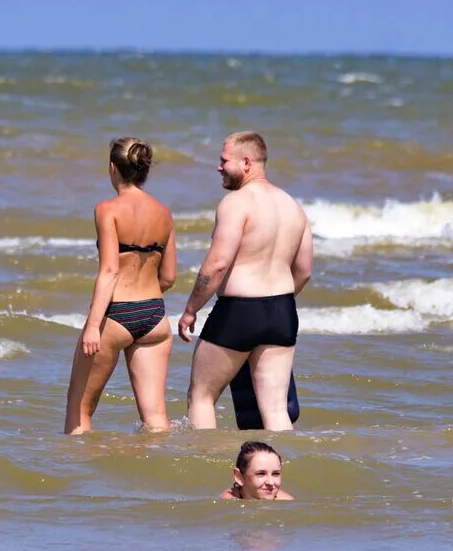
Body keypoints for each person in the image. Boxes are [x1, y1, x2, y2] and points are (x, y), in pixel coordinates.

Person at [178, 131, 313, 431]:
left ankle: (205, 465)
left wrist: (190, 310)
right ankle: (280, 472)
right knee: (277, 409)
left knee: (201, 396)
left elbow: (217, 264)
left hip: (239, 311)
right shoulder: (294, 207)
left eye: (224, 160)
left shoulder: (236, 203)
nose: (219, 167)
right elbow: (303, 271)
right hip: (282, 311)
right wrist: (275, 302)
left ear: (247, 162)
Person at [64, 137, 177, 434]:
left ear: (113, 168)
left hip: (115, 315)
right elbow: (168, 277)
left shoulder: (107, 209)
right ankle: (160, 477)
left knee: (79, 412)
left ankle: (76, 477)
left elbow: (110, 270)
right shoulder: (164, 214)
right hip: (154, 315)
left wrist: (92, 325)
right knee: (156, 420)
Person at [219, 441, 295, 501]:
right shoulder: (228, 501)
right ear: (239, 477)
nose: (271, 482)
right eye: (261, 474)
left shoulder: (287, 502)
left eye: (275, 474)